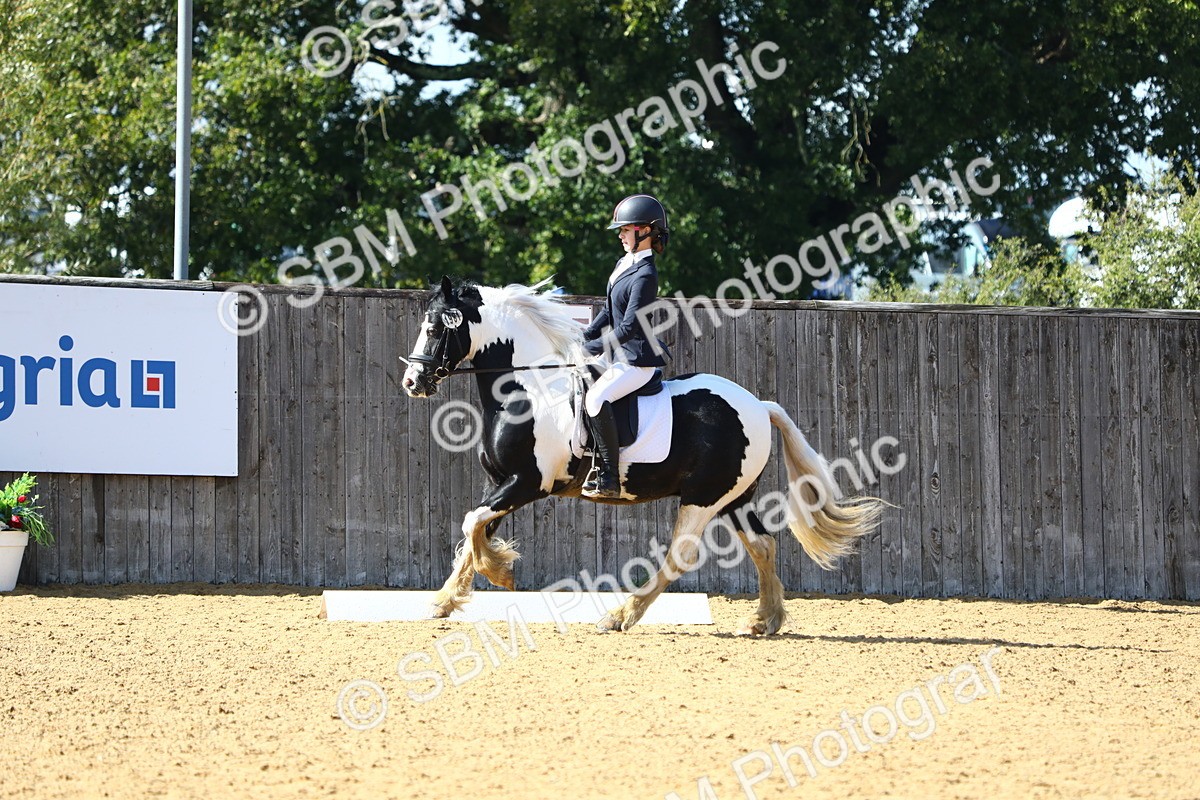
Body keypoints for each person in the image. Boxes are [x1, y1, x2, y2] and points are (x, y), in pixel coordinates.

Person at [580, 193, 670, 499]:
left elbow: (630, 326)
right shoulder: (624, 263)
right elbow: (609, 309)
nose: (620, 234)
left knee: (594, 399)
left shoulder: (646, 275)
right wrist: (585, 335)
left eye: (625, 229)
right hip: (621, 355)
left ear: (645, 230)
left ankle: (609, 475)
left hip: (637, 361)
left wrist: (598, 346)